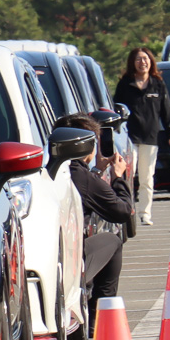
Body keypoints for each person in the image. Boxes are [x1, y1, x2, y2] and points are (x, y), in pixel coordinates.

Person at [55, 113, 132, 324]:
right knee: (113, 241)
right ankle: (100, 317)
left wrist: (97, 170)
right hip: (71, 260)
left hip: (51, 256)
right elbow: (122, 211)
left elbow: (85, 191)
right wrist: (118, 178)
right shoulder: (80, 174)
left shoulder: (54, 169)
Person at [111, 48, 170, 226]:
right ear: (132, 63)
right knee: (129, 176)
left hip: (151, 138)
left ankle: (145, 213)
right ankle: (127, 211)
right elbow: (117, 110)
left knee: (147, 178)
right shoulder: (125, 84)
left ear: (151, 61)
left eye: (145, 59)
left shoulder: (158, 84)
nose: (142, 62)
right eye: (138, 59)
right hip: (129, 139)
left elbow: (166, 111)